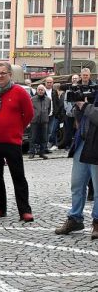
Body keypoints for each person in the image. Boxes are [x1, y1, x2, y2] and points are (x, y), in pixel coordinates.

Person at [0, 62, 34, 221]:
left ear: (10, 74)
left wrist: (17, 129)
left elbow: (29, 114)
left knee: (18, 177)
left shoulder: (20, 92)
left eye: (3, 73)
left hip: (12, 142)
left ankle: (24, 210)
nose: (0, 76)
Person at [55, 89, 98, 240]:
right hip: (82, 143)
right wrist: (78, 105)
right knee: (77, 184)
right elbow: (76, 120)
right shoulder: (91, 91)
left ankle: (97, 221)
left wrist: (86, 106)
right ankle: (75, 219)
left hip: (96, 146)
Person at [28, 84, 51, 159]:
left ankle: (42, 152)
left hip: (44, 121)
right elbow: (29, 110)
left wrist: (45, 117)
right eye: (39, 90)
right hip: (34, 121)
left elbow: (49, 110)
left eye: (42, 90)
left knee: (44, 138)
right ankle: (32, 152)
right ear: (37, 91)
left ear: (44, 91)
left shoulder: (48, 99)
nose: (40, 91)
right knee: (33, 138)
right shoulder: (32, 99)